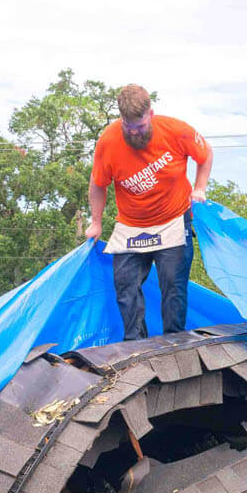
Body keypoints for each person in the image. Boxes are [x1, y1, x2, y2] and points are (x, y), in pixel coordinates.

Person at [85, 84, 213, 340]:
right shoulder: (109, 141)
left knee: (172, 286)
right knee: (125, 285)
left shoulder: (176, 131)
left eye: (140, 127)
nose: (134, 133)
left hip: (173, 220)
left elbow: (205, 154)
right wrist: (96, 222)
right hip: (132, 225)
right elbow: (98, 184)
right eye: (128, 128)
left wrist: (199, 188)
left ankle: (173, 343)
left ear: (150, 113)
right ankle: (136, 345)